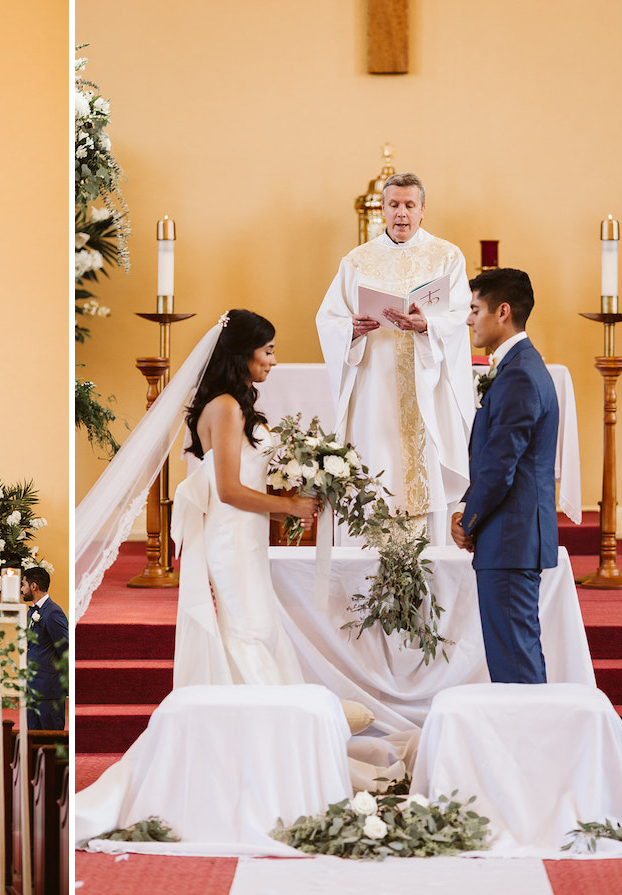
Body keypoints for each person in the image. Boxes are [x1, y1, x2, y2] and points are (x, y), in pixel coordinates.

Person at [316, 172, 474, 546]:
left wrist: (426, 325)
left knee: (425, 472)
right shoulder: (357, 261)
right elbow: (328, 319)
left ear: (423, 210)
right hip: (376, 387)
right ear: (383, 210)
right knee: (378, 466)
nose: (401, 214)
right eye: (394, 206)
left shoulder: (447, 257)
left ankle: (426, 571)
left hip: (427, 386)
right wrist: (351, 330)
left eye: (409, 206)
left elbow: (461, 315)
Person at [171, 309, 319, 687]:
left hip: (246, 535)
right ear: (242, 354)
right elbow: (229, 491)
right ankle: (260, 719)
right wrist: (290, 506)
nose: (273, 360)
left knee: (259, 627)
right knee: (247, 629)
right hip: (231, 538)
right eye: (267, 351)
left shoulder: (237, 405)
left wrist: (291, 501)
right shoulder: (224, 407)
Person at [452, 268, 558, 684]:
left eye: (474, 309)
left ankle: (532, 747)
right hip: (511, 538)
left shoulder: (517, 373)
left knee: (515, 660)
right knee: (512, 655)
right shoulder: (518, 365)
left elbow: (500, 466)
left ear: (502, 312)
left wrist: (468, 517)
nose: (468, 319)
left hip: (510, 538)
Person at [21, 567, 68, 730]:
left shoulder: (53, 613)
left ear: (34, 586)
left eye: (23, 585)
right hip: (33, 689)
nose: (21, 589)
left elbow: (65, 651)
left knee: (51, 741)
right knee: (34, 741)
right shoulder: (32, 613)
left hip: (49, 691)